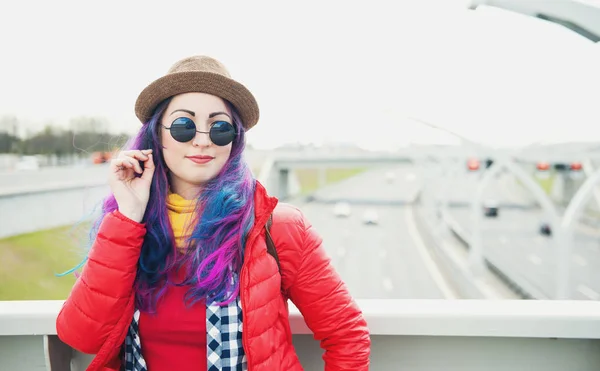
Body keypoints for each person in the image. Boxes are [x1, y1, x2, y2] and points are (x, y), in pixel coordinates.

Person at [56, 55, 370, 371]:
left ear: (233, 141)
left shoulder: (278, 227)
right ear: (158, 135)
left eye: (219, 127)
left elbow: (347, 336)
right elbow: (81, 337)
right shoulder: (126, 227)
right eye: (184, 126)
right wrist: (128, 217)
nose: (203, 141)